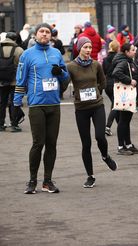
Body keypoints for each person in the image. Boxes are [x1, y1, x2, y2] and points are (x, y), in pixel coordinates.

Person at [13, 23, 70, 194]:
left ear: (51, 35)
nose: (45, 34)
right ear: (35, 35)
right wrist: (16, 104)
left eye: (47, 32)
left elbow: (66, 78)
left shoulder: (56, 53)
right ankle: (32, 181)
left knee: (51, 144)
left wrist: (60, 72)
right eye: (41, 32)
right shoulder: (27, 55)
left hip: (54, 104)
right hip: (37, 105)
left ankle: (47, 181)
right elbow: (20, 80)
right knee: (38, 143)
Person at [67, 37, 118, 188]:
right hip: (81, 108)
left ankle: (105, 156)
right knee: (86, 143)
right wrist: (58, 74)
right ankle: (90, 176)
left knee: (100, 137)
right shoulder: (71, 67)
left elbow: (103, 81)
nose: (88, 50)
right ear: (79, 49)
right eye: (85, 47)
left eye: (90, 47)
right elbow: (64, 85)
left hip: (97, 105)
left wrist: (96, 93)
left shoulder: (96, 64)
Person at [112, 43, 138, 155]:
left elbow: (135, 68)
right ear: (126, 52)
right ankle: (120, 147)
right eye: (133, 50)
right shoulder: (123, 62)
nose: (135, 51)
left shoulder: (129, 61)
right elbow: (116, 73)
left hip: (129, 95)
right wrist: (129, 80)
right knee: (123, 121)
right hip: (125, 95)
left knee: (126, 121)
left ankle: (128, 145)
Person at [0, 32, 24, 132]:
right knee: (14, 102)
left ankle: (1, 124)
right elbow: (22, 66)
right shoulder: (19, 50)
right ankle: (14, 124)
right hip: (15, 81)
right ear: (15, 39)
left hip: (1, 81)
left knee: (1, 102)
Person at [102, 40, 120, 136]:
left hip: (107, 84)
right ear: (117, 48)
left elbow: (103, 71)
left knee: (114, 104)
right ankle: (107, 127)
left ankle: (120, 126)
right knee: (115, 106)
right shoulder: (118, 58)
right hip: (115, 83)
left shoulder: (105, 59)